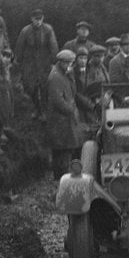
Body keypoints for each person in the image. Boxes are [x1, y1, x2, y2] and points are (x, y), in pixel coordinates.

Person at [14, 9, 59, 120]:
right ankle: (36, 108)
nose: (38, 22)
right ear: (32, 19)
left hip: (44, 62)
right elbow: (19, 46)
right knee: (31, 87)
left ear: (43, 19)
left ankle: (44, 111)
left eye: (40, 19)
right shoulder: (25, 31)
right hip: (30, 63)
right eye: (36, 19)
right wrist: (18, 60)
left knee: (44, 87)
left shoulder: (48, 29)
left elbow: (53, 45)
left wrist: (54, 61)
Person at [46, 49, 79, 180]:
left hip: (64, 120)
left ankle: (60, 178)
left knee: (63, 151)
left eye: (71, 63)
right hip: (60, 121)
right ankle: (61, 179)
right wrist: (71, 109)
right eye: (69, 63)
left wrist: (71, 76)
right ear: (62, 63)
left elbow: (73, 91)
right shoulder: (55, 77)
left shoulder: (64, 74)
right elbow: (57, 100)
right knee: (62, 152)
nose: (71, 66)